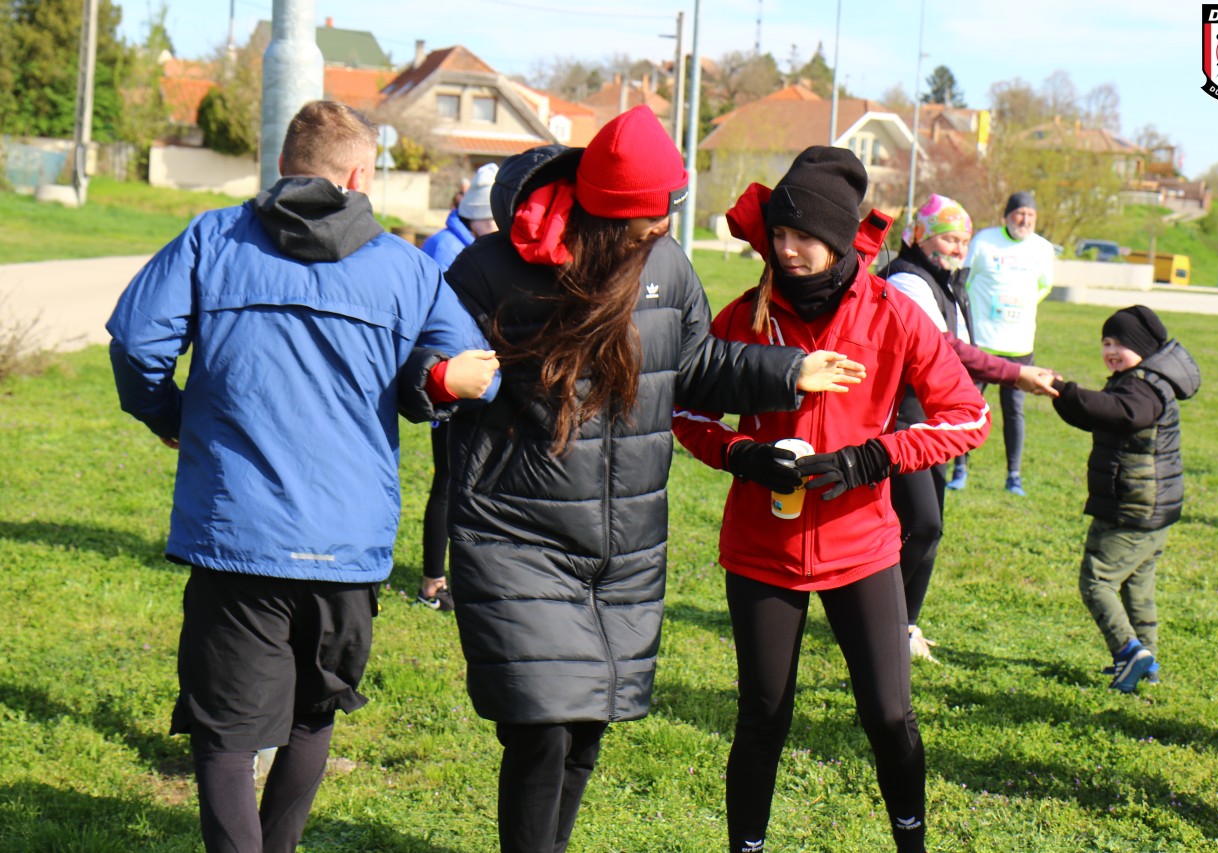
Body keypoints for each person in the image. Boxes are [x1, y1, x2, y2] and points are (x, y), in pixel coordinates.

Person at [435, 107, 863, 853]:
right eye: (656, 209)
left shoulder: (666, 265)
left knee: (586, 725)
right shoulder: (493, 268)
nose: (666, 221)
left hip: (621, 544)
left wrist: (788, 370)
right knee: (541, 727)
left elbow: (695, 365)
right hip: (516, 530)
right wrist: (442, 378)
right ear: (610, 210)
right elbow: (422, 357)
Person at [106, 101, 499, 853]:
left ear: (283, 166)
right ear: (359, 175)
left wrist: (168, 415)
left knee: (225, 728)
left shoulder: (212, 238)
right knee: (313, 714)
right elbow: (474, 369)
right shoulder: (407, 267)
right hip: (346, 537)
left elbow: (136, 342)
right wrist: (432, 381)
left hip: (238, 529)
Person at [673, 148, 991, 853]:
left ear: (841, 237)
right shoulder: (744, 315)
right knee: (762, 717)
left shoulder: (893, 314)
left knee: (889, 716)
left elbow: (969, 417)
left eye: (805, 236)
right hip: (762, 548)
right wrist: (741, 454)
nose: (787, 249)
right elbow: (686, 410)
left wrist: (873, 457)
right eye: (779, 234)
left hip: (862, 548)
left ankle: (912, 842)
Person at [879, 194, 1059, 661]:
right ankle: (877, 622)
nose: (958, 248)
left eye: (963, 240)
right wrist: (1014, 373)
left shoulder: (945, 281)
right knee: (921, 524)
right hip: (900, 421)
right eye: (948, 238)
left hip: (933, 422)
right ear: (921, 236)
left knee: (930, 529)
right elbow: (945, 347)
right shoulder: (906, 279)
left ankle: (904, 626)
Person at [1049, 306, 1200, 692]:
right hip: (1147, 506)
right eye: (1106, 343)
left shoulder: (1142, 388)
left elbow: (1121, 412)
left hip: (1135, 505)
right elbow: (1098, 415)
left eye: (1121, 344)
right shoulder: (1136, 381)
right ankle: (1147, 662)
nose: (1111, 351)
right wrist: (1062, 396)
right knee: (1137, 586)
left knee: (1096, 580)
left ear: (1143, 348)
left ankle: (1129, 652)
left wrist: (1068, 392)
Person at [416, 162, 500, 611]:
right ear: (479, 216)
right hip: (450, 384)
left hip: (474, 380)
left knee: (468, 482)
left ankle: (466, 573)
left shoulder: (464, 243)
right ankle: (432, 582)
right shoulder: (447, 248)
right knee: (448, 482)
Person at [956, 190, 1056, 496]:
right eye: (1019, 213)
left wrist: (1019, 305)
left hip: (1019, 346)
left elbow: (1044, 286)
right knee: (967, 408)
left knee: (1014, 412)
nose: (1025, 220)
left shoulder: (1042, 248)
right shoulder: (984, 241)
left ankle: (1014, 475)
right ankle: (959, 468)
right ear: (1007, 215)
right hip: (981, 344)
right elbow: (963, 282)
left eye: (1031, 215)